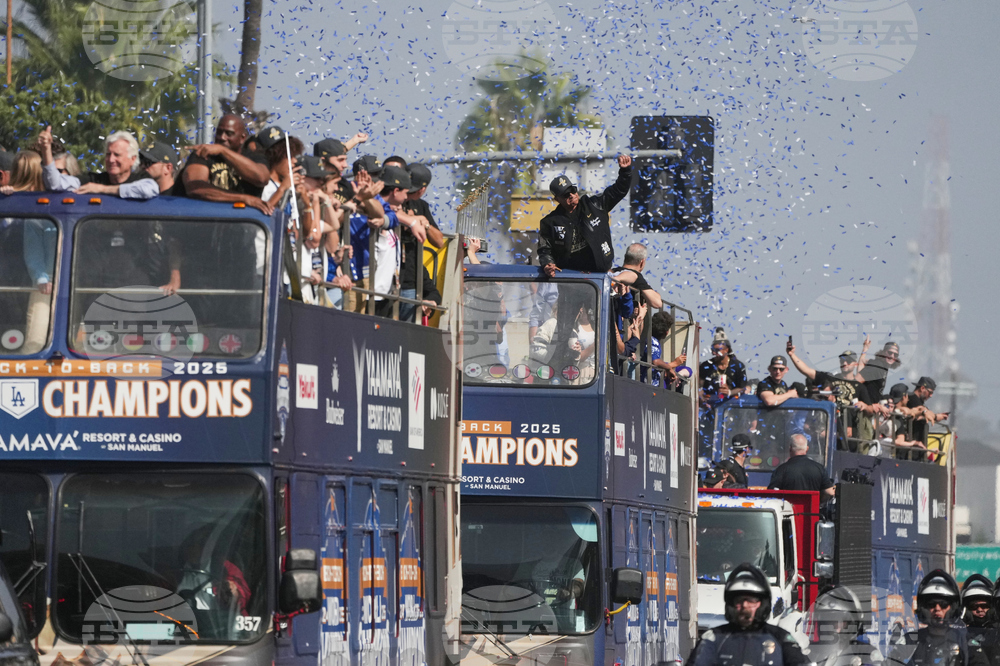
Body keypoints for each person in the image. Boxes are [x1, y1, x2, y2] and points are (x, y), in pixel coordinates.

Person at [688, 563, 810, 666]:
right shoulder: (714, 638)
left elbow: (798, 662)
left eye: (751, 600)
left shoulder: (779, 637)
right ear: (730, 604)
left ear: (762, 604)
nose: (745, 605)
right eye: (739, 601)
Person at [538, 154, 633, 277]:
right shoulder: (550, 222)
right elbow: (544, 249)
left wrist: (625, 171)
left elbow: (618, 190)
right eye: (566, 195)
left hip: (599, 273)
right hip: (569, 277)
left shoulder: (595, 205)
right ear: (557, 199)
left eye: (572, 190)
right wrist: (548, 264)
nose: (571, 195)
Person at [887, 570, 988, 666]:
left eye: (943, 605)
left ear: (953, 608)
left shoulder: (964, 641)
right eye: (931, 605)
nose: (937, 609)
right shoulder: (910, 640)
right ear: (923, 608)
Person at [175, 114, 271, 213]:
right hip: (204, 218)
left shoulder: (253, 157)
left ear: (242, 138)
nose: (222, 137)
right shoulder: (203, 154)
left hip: (244, 222)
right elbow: (195, 188)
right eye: (219, 132)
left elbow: (262, 178)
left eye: (229, 133)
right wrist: (243, 199)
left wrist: (223, 151)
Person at [38, 127, 159, 199]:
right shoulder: (92, 180)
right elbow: (55, 184)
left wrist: (102, 189)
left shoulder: (141, 179)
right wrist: (46, 150)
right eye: (108, 154)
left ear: (132, 159)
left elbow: (150, 190)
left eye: (117, 155)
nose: (111, 160)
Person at [399, 163, 445, 322]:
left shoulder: (421, 206)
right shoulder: (391, 199)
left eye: (411, 189)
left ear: (422, 190)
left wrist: (424, 224)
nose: (406, 194)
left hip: (410, 280)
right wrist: (409, 221)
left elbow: (439, 241)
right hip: (387, 278)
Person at [807, 585, 883, 666]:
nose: (837, 629)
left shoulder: (865, 654)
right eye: (829, 623)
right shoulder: (811, 653)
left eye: (843, 623)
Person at [768, 433, 835, 497]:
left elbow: (772, 493)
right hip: (812, 508)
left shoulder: (781, 470)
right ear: (807, 449)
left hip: (789, 508)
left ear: (790, 448)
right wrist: (820, 501)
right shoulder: (819, 468)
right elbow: (830, 492)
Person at [700, 329, 748, 405]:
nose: (714, 353)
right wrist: (702, 396)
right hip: (710, 405)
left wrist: (729, 392)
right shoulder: (706, 366)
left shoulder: (738, 366)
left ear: (726, 350)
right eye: (712, 350)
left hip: (732, 405)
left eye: (717, 350)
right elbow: (699, 386)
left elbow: (742, 388)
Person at [960, 574, 998, 666]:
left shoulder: (998, 634)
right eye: (974, 607)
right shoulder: (961, 635)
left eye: (985, 606)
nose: (980, 610)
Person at [611, 242, 663, 308]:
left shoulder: (612, 272)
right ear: (642, 262)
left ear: (625, 257)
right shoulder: (636, 277)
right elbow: (657, 303)